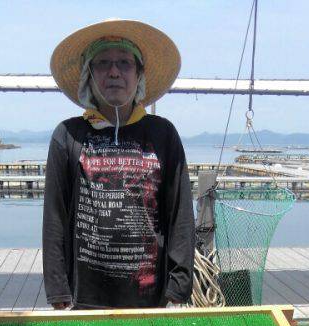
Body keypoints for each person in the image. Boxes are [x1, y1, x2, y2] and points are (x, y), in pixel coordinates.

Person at [43, 19, 195, 310]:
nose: (114, 72)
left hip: (151, 297)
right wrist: (58, 290)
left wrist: (179, 286)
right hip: (84, 297)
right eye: (103, 63)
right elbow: (54, 219)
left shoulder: (163, 134)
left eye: (124, 63)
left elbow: (181, 215)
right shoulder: (68, 135)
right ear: (90, 75)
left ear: (139, 74)